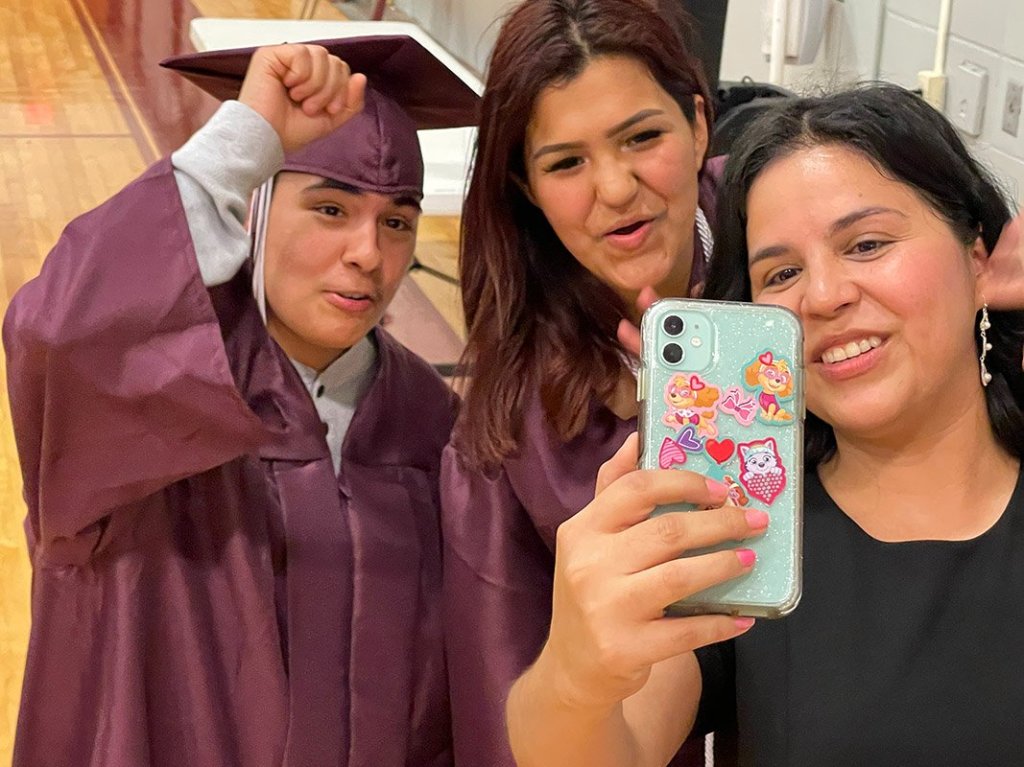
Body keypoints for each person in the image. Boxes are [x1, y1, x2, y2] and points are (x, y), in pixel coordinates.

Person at [505, 84, 1024, 767]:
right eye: (780, 272)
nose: (825, 296)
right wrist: (577, 669)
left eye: (866, 243)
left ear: (979, 257)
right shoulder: (743, 537)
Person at [4, 38, 475, 767]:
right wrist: (243, 139)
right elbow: (56, 330)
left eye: (397, 220)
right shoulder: (148, 397)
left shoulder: (431, 424)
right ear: (252, 209)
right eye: (329, 208)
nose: (368, 253)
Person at [441, 0, 719, 764]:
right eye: (566, 162)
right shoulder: (509, 435)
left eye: (643, 137)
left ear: (697, 125)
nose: (617, 188)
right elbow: (510, 696)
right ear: (525, 186)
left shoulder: (790, 252)